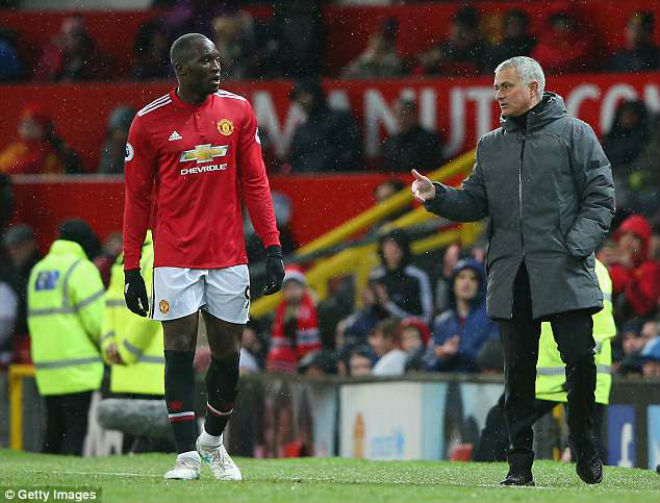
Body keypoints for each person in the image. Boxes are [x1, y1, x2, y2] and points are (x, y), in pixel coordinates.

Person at [412, 56, 615, 485]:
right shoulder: (490, 145)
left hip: (564, 269)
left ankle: (584, 442)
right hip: (511, 275)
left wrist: (575, 247)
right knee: (518, 375)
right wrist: (437, 196)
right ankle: (519, 467)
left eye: (506, 86)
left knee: (580, 359)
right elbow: (474, 201)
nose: (498, 94)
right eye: (496, 87)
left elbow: (601, 197)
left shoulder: (575, 134)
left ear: (534, 88)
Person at [122, 33, 284, 480]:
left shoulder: (238, 111)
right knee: (177, 350)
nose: (216, 66)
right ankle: (185, 458)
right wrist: (132, 267)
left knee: (228, 356)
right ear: (181, 68)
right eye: (206, 60)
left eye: (217, 58)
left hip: (228, 256)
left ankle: (211, 442)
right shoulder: (148, 122)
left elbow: (256, 182)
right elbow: (136, 199)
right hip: (174, 257)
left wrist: (272, 246)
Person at [474, 260, 616, 463]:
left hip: (563, 373)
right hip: (553, 373)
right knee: (587, 444)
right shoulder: (590, 267)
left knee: (586, 445)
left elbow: (600, 325)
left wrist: (580, 366)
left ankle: (485, 470)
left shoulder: (586, 268)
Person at [27, 219, 105, 455]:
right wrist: (107, 344)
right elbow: (97, 321)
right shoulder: (81, 269)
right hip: (78, 365)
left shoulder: (39, 269)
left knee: (53, 430)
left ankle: (46, 473)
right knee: (74, 433)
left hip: (47, 365)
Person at [100, 231, 166, 453]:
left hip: (125, 370)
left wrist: (110, 347)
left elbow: (108, 308)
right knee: (154, 448)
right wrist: (126, 351)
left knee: (130, 446)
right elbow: (154, 308)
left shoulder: (125, 258)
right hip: (151, 373)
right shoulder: (159, 254)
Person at [425, 259, 499, 373]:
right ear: (453, 283)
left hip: (479, 382)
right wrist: (441, 356)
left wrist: (458, 351)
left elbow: (493, 360)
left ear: (480, 285)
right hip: (446, 382)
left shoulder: (491, 318)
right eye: (461, 277)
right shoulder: (441, 321)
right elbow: (428, 363)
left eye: (473, 278)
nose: (466, 283)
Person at [288, 78, 362, 173]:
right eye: (297, 98)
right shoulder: (301, 130)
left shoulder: (339, 119)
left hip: (336, 178)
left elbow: (351, 152)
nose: (301, 101)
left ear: (316, 95)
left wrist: (329, 171)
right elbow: (296, 160)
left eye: (304, 96)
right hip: (308, 179)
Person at [599, 214, 660, 321]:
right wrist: (600, 266)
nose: (628, 241)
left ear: (644, 244)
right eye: (625, 234)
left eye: (636, 237)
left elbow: (644, 306)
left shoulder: (649, 268)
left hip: (630, 322)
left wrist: (631, 270)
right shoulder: (606, 257)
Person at [369, 229, 433, 324]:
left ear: (404, 249)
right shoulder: (375, 278)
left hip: (410, 330)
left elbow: (425, 318)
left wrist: (388, 304)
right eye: (388, 247)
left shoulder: (417, 276)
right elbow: (372, 317)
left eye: (395, 246)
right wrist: (371, 304)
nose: (391, 251)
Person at [266, 267, 321, 374]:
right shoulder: (279, 313)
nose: (292, 293)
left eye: (295, 288)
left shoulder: (316, 308)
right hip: (289, 358)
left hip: (313, 355)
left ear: (303, 288)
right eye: (288, 289)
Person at [0, 106, 82, 175]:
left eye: (31, 125)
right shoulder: (17, 148)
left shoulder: (55, 153)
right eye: (23, 124)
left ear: (43, 128)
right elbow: (4, 169)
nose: (24, 128)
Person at [380, 98, 445, 174]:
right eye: (397, 114)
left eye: (404, 114)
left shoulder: (429, 140)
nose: (401, 119)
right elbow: (387, 169)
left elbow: (435, 168)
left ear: (414, 115)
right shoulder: (391, 141)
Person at [98, 106, 136, 174]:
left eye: (123, 131)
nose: (119, 136)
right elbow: (104, 177)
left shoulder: (137, 151)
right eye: (116, 131)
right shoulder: (109, 151)